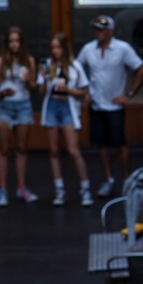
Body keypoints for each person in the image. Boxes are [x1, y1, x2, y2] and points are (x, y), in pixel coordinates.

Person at [77, 15, 143, 199]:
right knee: (102, 144)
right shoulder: (88, 49)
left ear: (110, 31)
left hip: (115, 105)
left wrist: (129, 94)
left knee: (120, 144)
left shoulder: (122, 48)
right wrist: (84, 91)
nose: (97, 33)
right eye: (96, 29)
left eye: (101, 29)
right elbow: (76, 69)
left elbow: (141, 69)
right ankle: (109, 179)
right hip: (96, 105)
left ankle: (127, 180)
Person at [38, 33, 93, 207]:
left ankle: (85, 188)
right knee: (54, 150)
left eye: (58, 47)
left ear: (64, 48)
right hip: (52, 108)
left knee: (73, 150)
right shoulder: (46, 65)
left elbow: (84, 91)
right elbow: (41, 92)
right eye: (53, 47)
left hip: (67, 107)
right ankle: (59, 188)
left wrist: (68, 90)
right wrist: (45, 80)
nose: (55, 51)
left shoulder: (75, 66)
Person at [0, 26, 39, 205]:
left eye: (16, 41)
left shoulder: (29, 60)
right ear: (7, 44)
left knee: (22, 148)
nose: (14, 44)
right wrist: (3, 92)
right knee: (4, 149)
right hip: (5, 106)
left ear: (21, 43)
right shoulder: (2, 61)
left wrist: (29, 80)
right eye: (11, 41)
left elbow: (33, 86)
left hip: (23, 105)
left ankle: (21, 188)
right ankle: (2, 191)